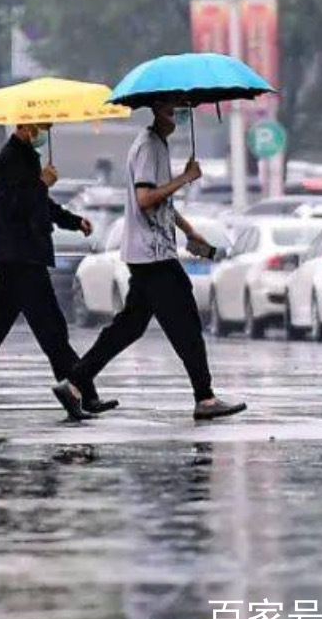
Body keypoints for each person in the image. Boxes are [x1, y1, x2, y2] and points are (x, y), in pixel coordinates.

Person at [53, 101, 246, 422]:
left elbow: (161, 200)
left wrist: (189, 231)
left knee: (128, 327)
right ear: (159, 110)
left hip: (149, 252)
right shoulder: (148, 146)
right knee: (186, 324)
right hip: (153, 255)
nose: (180, 116)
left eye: (183, 110)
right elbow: (145, 199)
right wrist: (185, 178)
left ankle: (74, 383)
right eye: (175, 109)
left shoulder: (158, 145)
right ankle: (205, 397)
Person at [0, 122, 117, 420]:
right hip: (20, 258)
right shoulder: (9, 158)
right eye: (42, 125)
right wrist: (42, 182)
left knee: (2, 330)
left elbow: (40, 204)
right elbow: (17, 205)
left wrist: (72, 220)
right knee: (51, 331)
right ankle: (82, 393)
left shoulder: (26, 157)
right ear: (25, 125)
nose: (46, 130)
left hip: (23, 256)